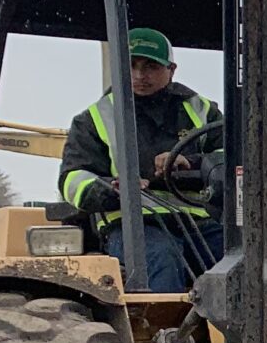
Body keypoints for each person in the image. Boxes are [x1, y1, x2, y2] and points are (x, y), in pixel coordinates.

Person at [58, 28, 223, 294]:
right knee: (162, 256)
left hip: (198, 224)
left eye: (150, 66)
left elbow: (233, 158)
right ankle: (165, 333)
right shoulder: (93, 119)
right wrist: (110, 188)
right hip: (130, 226)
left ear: (172, 69)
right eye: (131, 65)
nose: (139, 75)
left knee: (248, 259)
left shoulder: (202, 110)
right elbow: (72, 179)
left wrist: (190, 163)